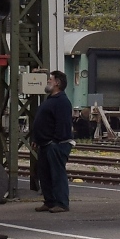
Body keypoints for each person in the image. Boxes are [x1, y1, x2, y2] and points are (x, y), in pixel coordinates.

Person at [30, 70, 74, 213]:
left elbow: (62, 124)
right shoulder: (51, 99)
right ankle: (49, 201)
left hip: (56, 144)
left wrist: (55, 141)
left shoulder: (62, 101)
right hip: (45, 144)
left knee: (57, 174)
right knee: (45, 174)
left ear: (57, 83)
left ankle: (61, 203)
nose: (48, 81)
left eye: (51, 79)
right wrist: (37, 139)